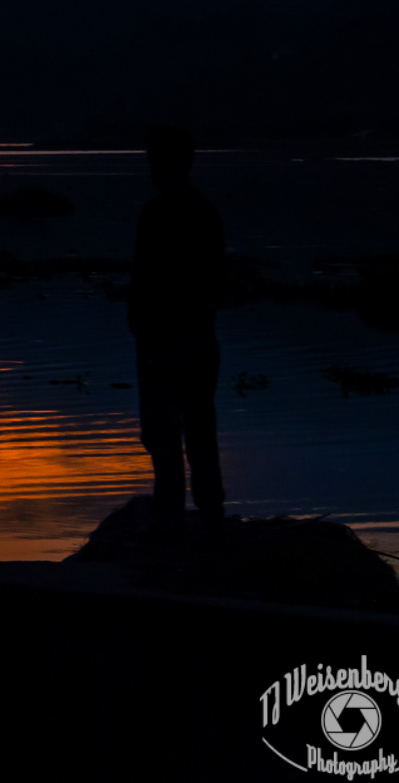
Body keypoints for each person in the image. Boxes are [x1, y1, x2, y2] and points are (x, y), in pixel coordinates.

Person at [128, 125, 227, 531]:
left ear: (164, 163)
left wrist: (142, 328)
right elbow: (216, 279)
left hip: (163, 341)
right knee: (200, 426)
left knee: (163, 430)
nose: (150, 169)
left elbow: (144, 280)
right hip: (199, 337)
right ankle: (211, 514)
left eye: (153, 161)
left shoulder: (156, 213)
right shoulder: (206, 212)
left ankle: (170, 515)